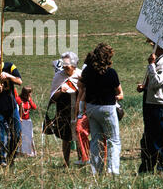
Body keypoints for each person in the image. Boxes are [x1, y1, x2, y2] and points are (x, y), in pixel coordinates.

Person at [79, 43, 123, 175]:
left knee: (96, 140)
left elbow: (81, 85)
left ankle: (96, 170)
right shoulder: (111, 73)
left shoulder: (87, 71)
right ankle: (112, 170)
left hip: (91, 108)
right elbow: (119, 92)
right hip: (107, 108)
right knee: (113, 140)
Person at [137, 43, 163, 174]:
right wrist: (145, 87)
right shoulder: (160, 61)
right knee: (148, 139)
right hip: (153, 105)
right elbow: (154, 84)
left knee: (159, 139)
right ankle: (147, 167)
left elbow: (157, 82)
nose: (152, 47)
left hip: (161, 107)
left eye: (155, 45)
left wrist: (151, 65)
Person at [49, 51, 83, 167]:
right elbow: (52, 98)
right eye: (63, 65)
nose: (64, 67)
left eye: (67, 65)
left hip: (79, 109)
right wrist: (60, 91)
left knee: (79, 135)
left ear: (74, 65)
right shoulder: (59, 76)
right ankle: (66, 162)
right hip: (64, 110)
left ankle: (81, 159)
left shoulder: (80, 75)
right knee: (66, 137)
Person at [15, 87, 37, 157]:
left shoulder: (28, 99)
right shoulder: (18, 99)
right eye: (28, 93)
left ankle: (30, 152)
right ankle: (20, 152)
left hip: (28, 120)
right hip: (20, 120)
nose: (30, 95)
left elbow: (34, 107)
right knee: (21, 136)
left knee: (29, 136)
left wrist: (29, 100)